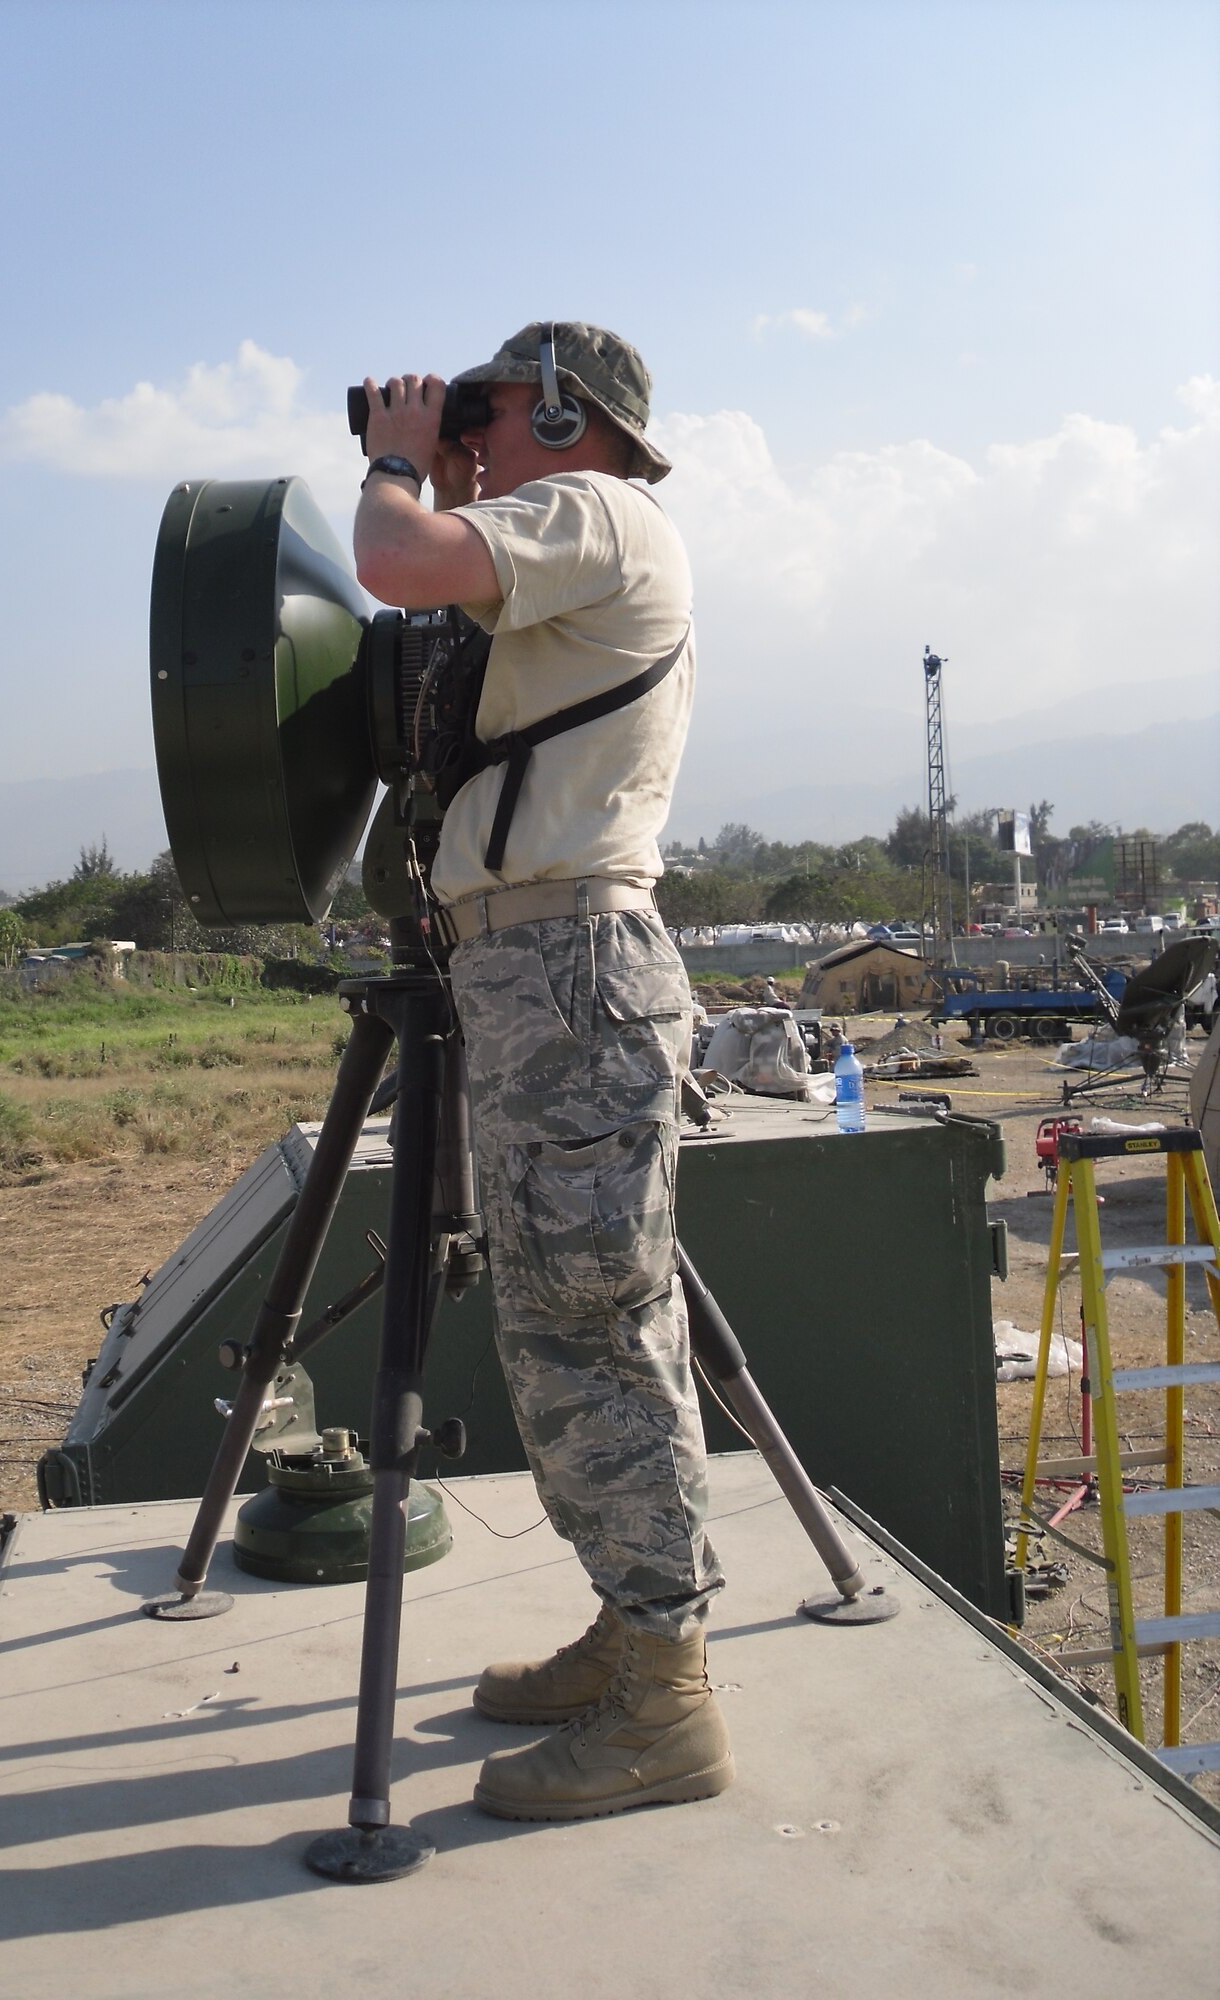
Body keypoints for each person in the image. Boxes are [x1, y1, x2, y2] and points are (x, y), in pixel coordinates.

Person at [353, 322, 730, 1822]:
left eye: (492, 412)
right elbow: (435, 600)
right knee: (559, 1334)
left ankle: (665, 1701)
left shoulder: (601, 510)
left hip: (571, 975)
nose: (475, 436)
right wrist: (449, 467)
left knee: (596, 1331)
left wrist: (400, 460)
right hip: (535, 974)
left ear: (571, 413)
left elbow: (396, 561)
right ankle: (631, 1635)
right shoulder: (553, 540)